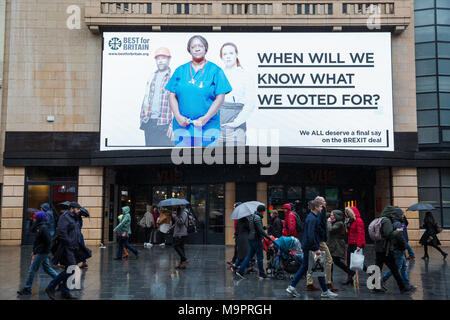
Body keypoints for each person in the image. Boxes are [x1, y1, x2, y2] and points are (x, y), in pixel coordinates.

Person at [165, 35, 232, 147]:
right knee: (183, 160)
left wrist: (205, 119)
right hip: (183, 126)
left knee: (206, 161)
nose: (197, 48)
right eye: (193, 46)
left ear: (205, 48)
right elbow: (172, 95)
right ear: (189, 50)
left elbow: (220, 97)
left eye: (200, 45)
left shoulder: (215, 70)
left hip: (208, 127)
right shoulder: (180, 70)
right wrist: (177, 116)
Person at [286, 199, 338, 298]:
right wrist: (315, 248)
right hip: (311, 247)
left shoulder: (312, 217)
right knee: (318, 267)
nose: (322, 208)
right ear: (316, 207)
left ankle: (292, 287)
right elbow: (311, 235)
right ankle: (325, 291)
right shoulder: (312, 219)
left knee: (309, 267)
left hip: (308, 246)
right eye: (321, 206)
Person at [45, 202, 91, 300]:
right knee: (72, 269)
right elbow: (61, 232)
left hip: (74, 248)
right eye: (78, 209)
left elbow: (75, 231)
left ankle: (65, 292)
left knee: (69, 269)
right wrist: (70, 242)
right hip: (67, 248)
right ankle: (50, 287)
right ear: (71, 209)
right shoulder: (65, 217)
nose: (79, 211)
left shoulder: (74, 218)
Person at [218, 42, 254, 146]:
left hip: (236, 127)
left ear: (236, 54)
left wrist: (236, 123)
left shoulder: (245, 75)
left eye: (231, 53)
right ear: (221, 57)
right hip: (217, 127)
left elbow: (250, 103)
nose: (228, 56)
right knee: (216, 159)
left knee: (235, 159)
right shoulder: (218, 74)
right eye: (225, 54)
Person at [373, 205, 412, 293]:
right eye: (393, 214)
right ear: (389, 213)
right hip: (385, 249)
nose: (394, 215)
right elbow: (388, 234)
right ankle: (402, 287)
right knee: (394, 269)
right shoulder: (386, 221)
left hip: (380, 248)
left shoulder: (381, 219)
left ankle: (375, 286)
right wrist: (397, 231)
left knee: (379, 268)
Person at [17, 211, 58, 295]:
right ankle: (60, 281)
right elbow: (32, 231)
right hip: (40, 251)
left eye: (35, 218)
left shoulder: (43, 228)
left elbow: (48, 241)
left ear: (39, 218)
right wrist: (35, 250)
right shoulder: (39, 226)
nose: (34, 219)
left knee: (32, 270)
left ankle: (27, 289)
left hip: (41, 252)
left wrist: (40, 251)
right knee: (47, 269)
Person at [139, 47, 173, 146]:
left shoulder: (174, 78)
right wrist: (143, 118)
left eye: (163, 58)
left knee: (166, 157)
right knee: (150, 156)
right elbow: (146, 98)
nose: (160, 61)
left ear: (169, 59)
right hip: (149, 123)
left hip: (165, 124)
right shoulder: (152, 77)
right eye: (158, 58)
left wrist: (174, 125)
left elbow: (180, 104)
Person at [381, 207, 417, 290]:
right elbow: (400, 237)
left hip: (399, 249)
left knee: (403, 267)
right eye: (401, 215)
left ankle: (406, 284)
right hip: (398, 249)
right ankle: (383, 279)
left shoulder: (398, 223)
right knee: (396, 268)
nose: (403, 216)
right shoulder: (397, 224)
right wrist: (405, 247)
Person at [306, 196, 337, 292]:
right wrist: (322, 235)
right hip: (319, 240)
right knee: (329, 260)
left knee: (313, 260)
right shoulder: (320, 212)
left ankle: (310, 283)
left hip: (317, 240)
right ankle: (327, 283)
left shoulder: (319, 212)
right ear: (319, 204)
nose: (325, 202)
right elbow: (318, 226)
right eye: (323, 201)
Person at [235, 205, 270, 280]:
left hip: (251, 239)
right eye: (264, 211)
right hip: (257, 239)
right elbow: (260, 230)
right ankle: (262, 274)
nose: (264, 213)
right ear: (262, 211)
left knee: (248, 256)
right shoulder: (257, 218)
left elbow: (253, 228)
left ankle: (240, 271)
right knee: (260, 257)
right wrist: (268, 236)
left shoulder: (252, 217)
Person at [327, 209, 356, 286]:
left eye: (332, 215)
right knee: (334, 261)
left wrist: (329, 222)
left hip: (337, 245)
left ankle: (330, 279)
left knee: (333, 261)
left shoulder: (339, 223)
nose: (331, 217)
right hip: (333, 245)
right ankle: (350, 272)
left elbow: (331, 229)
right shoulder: (336, 222)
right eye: (330, 215)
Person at [343, 206, 368, 285]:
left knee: (359, 263)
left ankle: (372, 274)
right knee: (349, 262)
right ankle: (349, 278)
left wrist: (359, 245)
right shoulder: (351, 221)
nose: (347, 215)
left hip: (356, 244)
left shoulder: (358, 221)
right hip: (351, 243)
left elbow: (360, 234)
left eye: (348, 213)